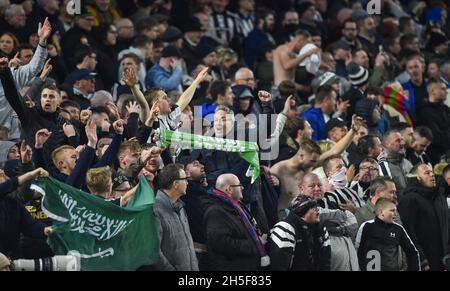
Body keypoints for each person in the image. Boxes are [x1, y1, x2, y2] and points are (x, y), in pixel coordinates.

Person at [203, 173, 269, 271]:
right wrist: (255, 244)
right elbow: (222, 244)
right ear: (229, 190)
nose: (242, 188)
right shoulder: (215, 212)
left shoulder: (237, 207)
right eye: (239, 185)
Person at [398, 164, 450, 271]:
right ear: (416, 178)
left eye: (432, 172)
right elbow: (408, 232)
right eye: (427, 173)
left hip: (441, 259)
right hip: (425, 262)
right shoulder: (409, 199)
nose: (432, 175)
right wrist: (421, 260)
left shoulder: (436, 197)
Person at [267, 195, 330, 271]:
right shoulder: (285, 228)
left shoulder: (320, 228)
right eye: (314, 208)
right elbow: (278, 264)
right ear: (303, 210)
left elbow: (326, 261)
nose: (318, 211)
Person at [153, 164, 198, 271]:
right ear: (175, 184)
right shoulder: (154, 210)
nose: (187, 182)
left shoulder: (180, 207)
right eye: (185, 179)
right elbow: (154, 251)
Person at [356, 198, 420, 271]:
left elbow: (412, 252)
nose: (395, 214)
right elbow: (358, 251)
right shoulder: (366, 227)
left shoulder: (398, 229)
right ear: (381, 212)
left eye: (396, 210)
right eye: (392, 210)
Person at [0, 167, 51, 259]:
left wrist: (45, 230)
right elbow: (6, 186)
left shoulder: (12, 203)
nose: (7, 178)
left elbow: (30, 225)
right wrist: (29, 175)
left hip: (12, 259)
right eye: (1, 175)